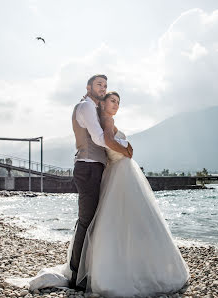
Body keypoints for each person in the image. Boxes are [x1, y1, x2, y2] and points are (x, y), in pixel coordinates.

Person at [75, 91, 189, 296]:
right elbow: (109, 141)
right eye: (112, 101)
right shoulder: (107, 120)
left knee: (121, 220)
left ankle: (122, 263)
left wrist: (126, 149)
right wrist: (126, 150)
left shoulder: (104, 119)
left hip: (119, 173)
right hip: (120, 172)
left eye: (118, 102)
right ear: (103, 104)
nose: (116, 105)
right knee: (132, 219)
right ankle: (133, 267)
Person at [70, 75, 133, 290]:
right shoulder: (86, 107)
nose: (102, 88)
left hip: (94, 167)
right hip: (87, 167)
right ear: (88, 87)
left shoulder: (95, 109)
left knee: (92, 220)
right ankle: (76, 275)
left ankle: (87, 269)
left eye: (105, 85)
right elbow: (98, 139)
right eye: (99, 84)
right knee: (86, 221)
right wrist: (125, 150)